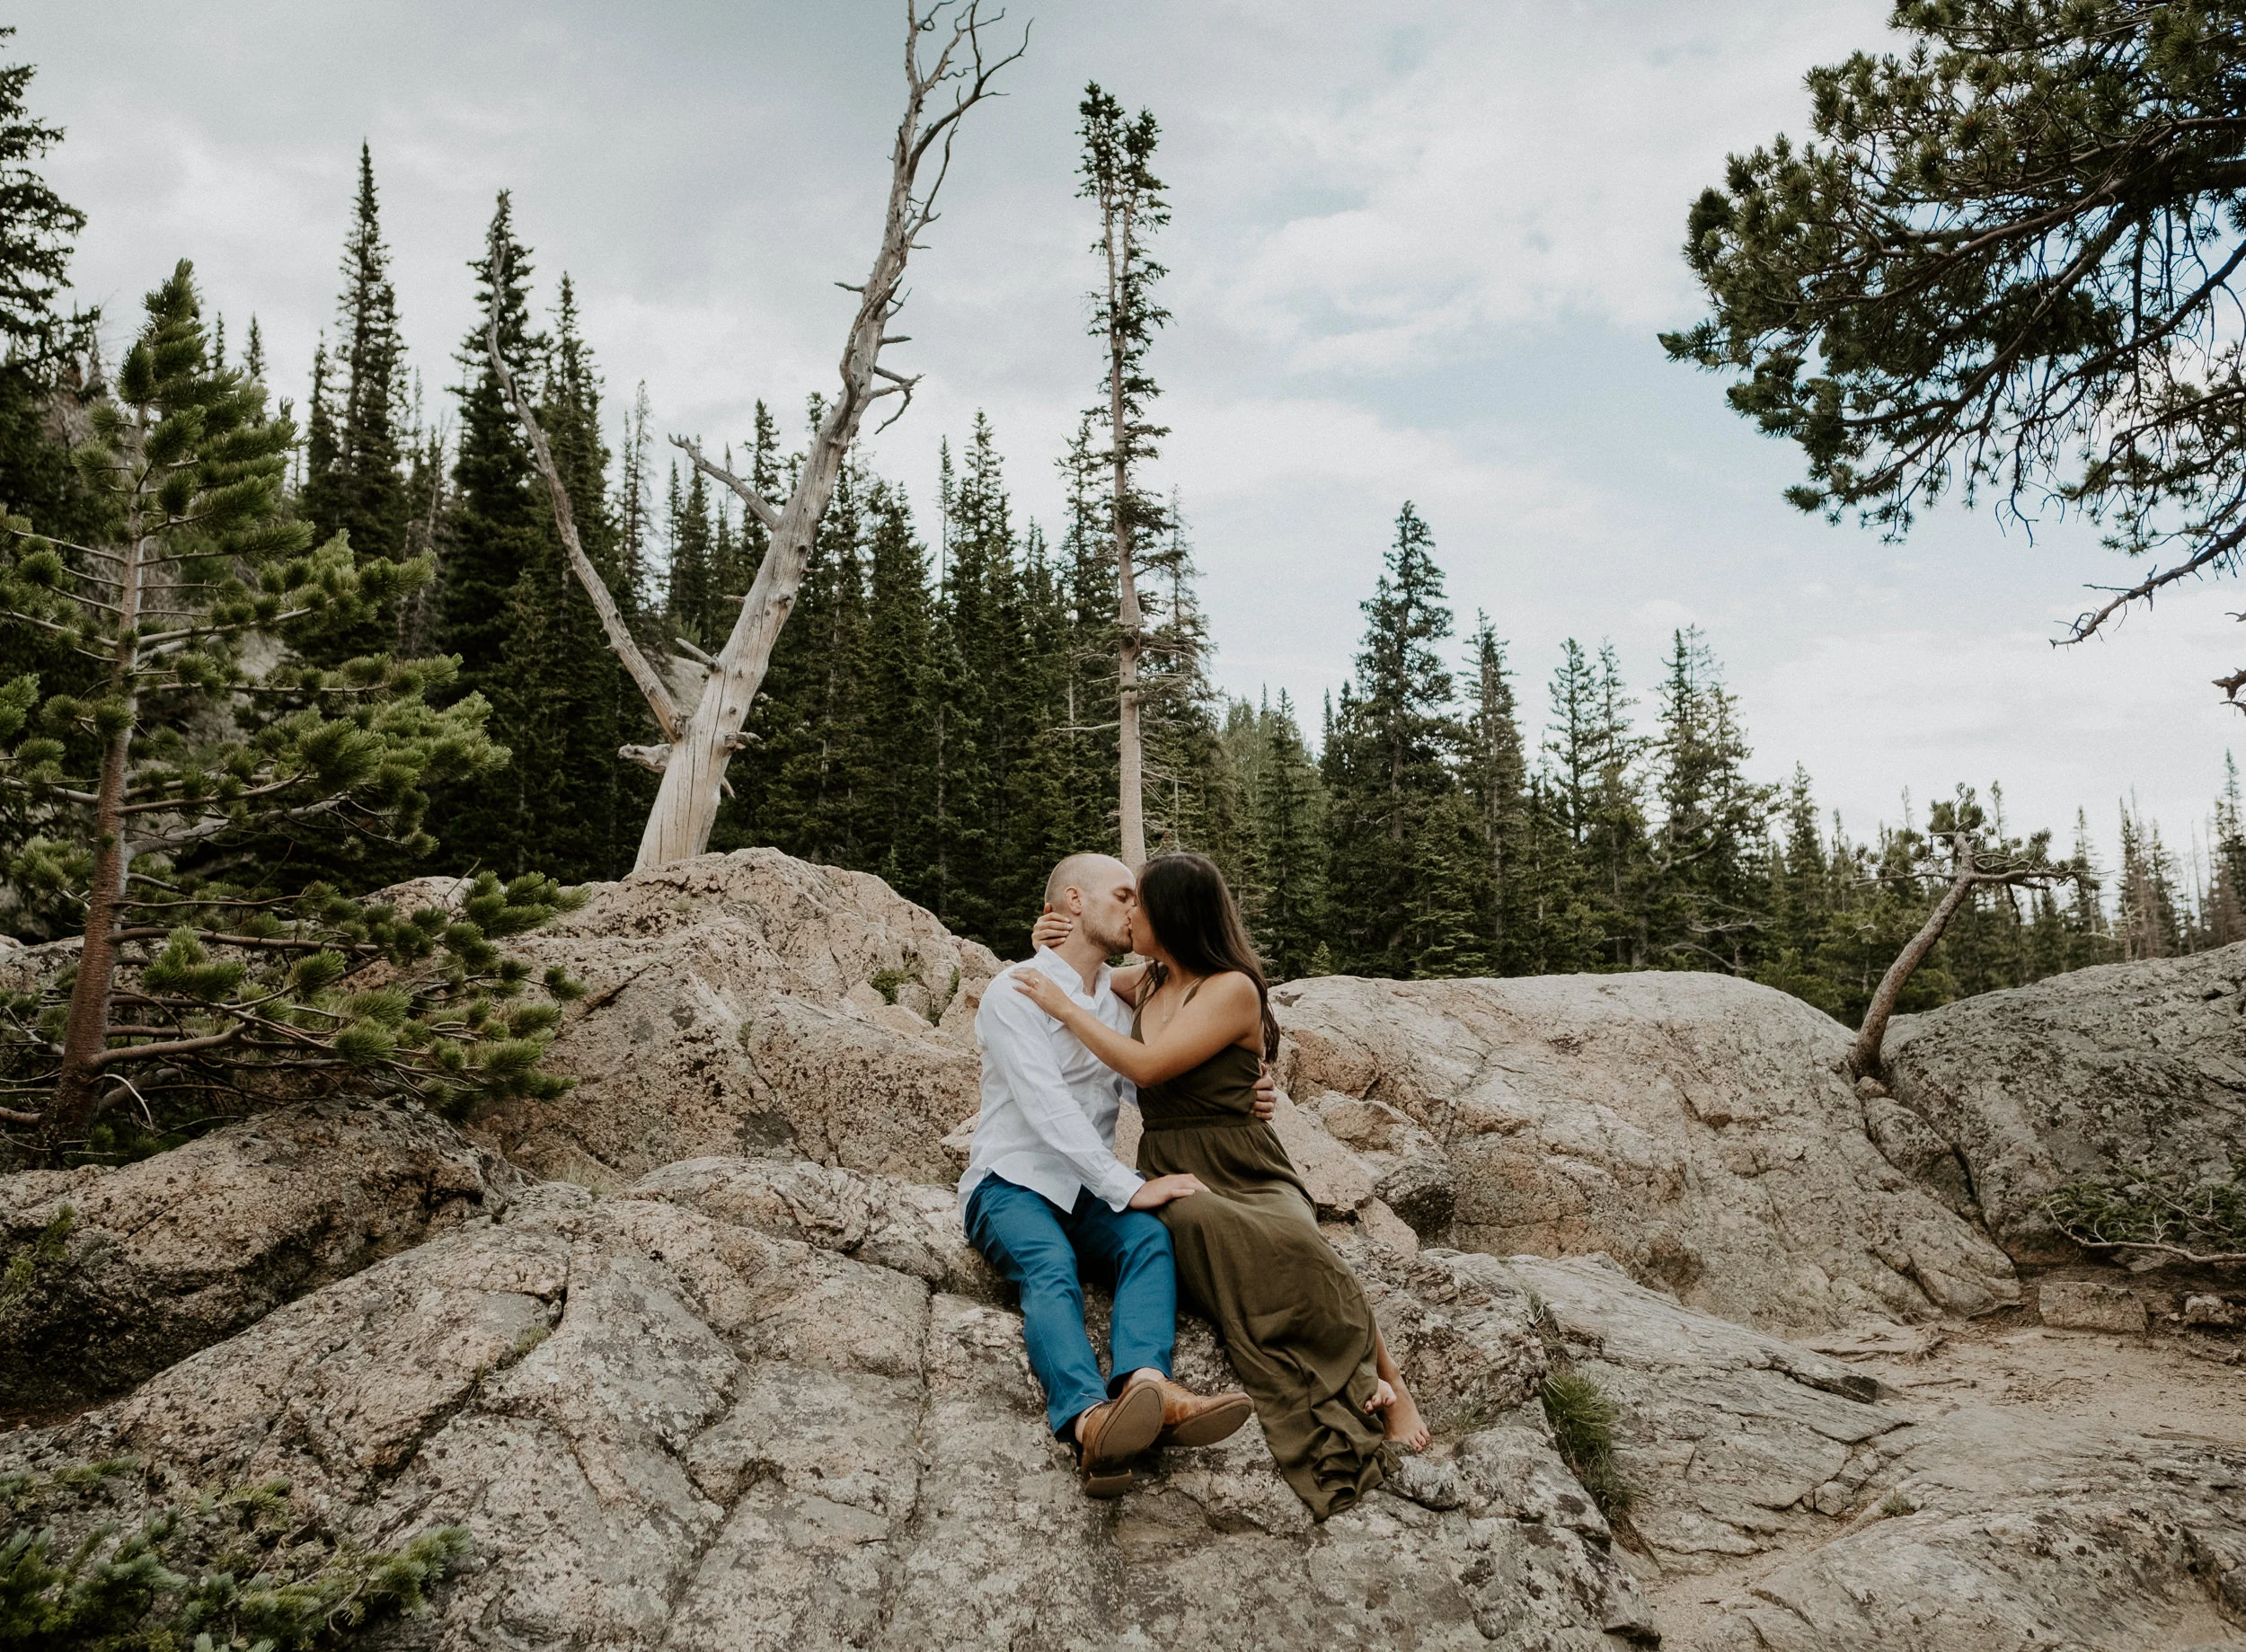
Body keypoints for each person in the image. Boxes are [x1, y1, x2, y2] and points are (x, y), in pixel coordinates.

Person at [1018, 852, 1428, 1520]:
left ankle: (1389, 1382)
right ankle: (1325, 1366)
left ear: (1174, 915)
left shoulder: (1230, 987)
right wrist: (1049, 938)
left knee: (1297, 1240)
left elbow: (1147, 1067)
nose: (1130, 914)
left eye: (1141, 905)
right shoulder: (1147, 981)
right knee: (1187, 1220)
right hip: (1175, 1158)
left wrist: (1063, 1008)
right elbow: (1082, 961)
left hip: (1245, 1160)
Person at [960, 852, 1261, 1498]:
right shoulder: (1014, 990)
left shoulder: (1120, 1001)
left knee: (1149, 1240)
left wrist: (1243, 1097)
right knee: (1049, 1265)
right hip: (1010, 1181)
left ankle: (1149, 1388)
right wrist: (1129, 1184)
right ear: (1074, 902)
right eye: (1124, 895)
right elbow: (1047, 1110)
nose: (1137, 909)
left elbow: (1153, 1083)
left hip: (1085, 1190)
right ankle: (1090, 1421)